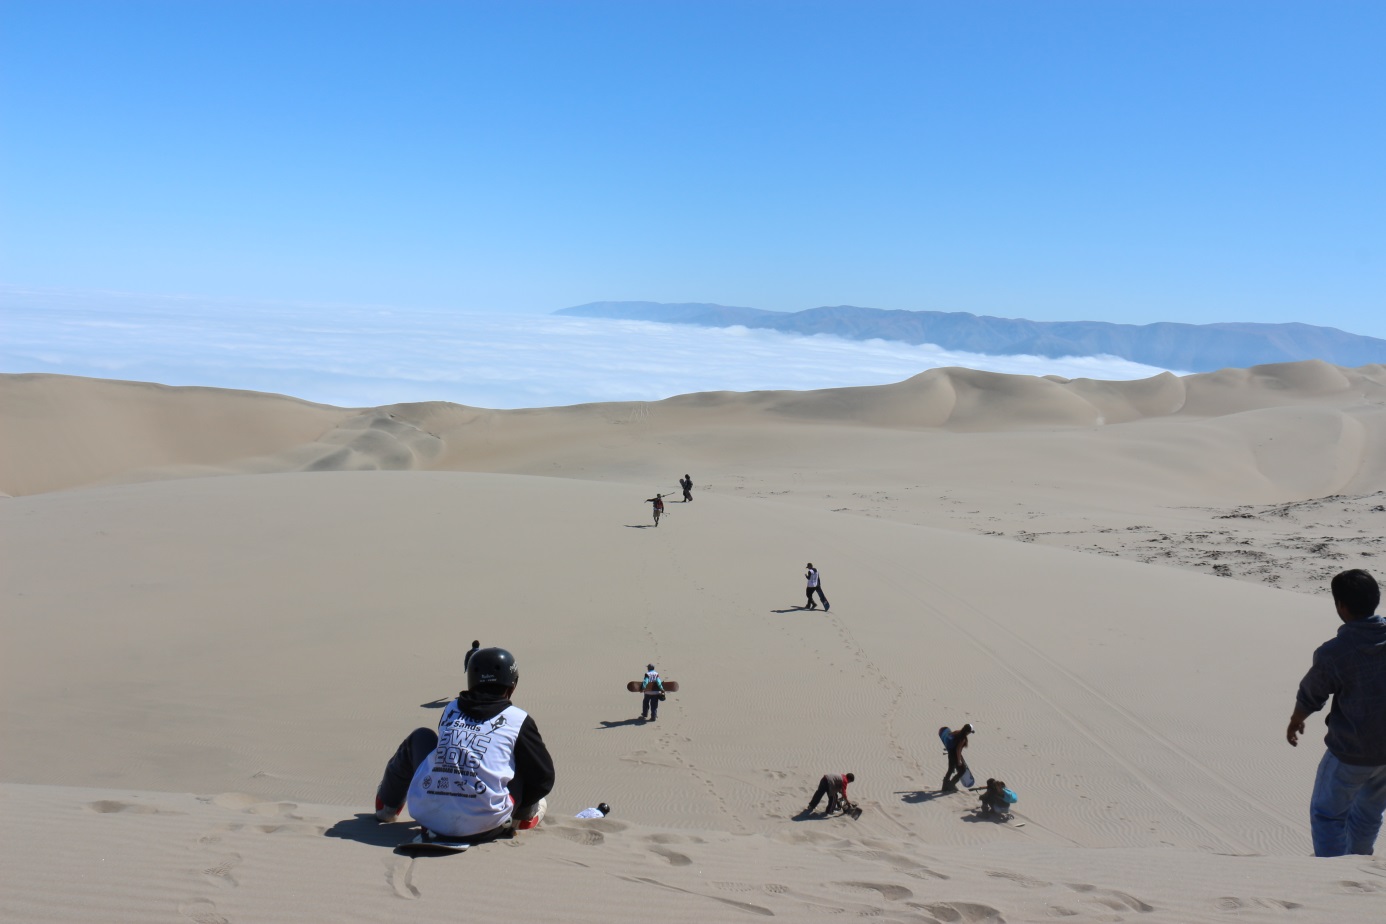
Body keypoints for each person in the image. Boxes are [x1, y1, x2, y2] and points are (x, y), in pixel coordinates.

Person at [374, 647, 555, 844]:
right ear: (513, 685)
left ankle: (387, 807)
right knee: (521, 762)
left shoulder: (451, 709)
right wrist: (519, 806)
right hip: (487, 826)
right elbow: (544, 778)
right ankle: (522, 818)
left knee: (421, 737)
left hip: (430, 820)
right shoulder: (518, 720)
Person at [1286, 569, 1386, 857]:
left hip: (1349, 752)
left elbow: (1312, 692)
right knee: (1367, 815)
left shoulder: (1334, 652)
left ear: (1341, 605)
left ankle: (1333, 877)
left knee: (1327, 815)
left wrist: (1296, 720)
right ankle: (1357, 869)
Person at [941, 723, 974, 792]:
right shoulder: (963, 739)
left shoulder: (956, 732)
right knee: (962, 770)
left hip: (950, 753)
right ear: (967, 732)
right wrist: (959, 760)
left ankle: (944, 786)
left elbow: (949, 737)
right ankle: (951, 784)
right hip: (955, 755)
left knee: (950, 770)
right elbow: (958, 749)